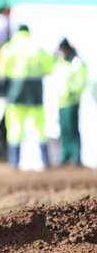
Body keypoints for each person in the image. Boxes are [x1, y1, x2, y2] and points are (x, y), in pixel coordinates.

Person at [0, 25, 53, 170]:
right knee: (39, 128)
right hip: (35, 93)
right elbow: (48, 68)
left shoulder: (8, 48)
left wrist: (6, 89)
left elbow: (0, 72)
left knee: (14, 128)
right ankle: (45, 162)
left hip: (15, 93)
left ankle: (14, 163)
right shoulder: (36, 47)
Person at [52, 38, 87, 166]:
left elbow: (81, 80)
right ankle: (65, 157)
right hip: (62, 102)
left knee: (72, 129)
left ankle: (76, 158)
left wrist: (73, 91)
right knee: (64, 130)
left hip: (72, 101)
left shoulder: (76, 62)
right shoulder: (61, 63)